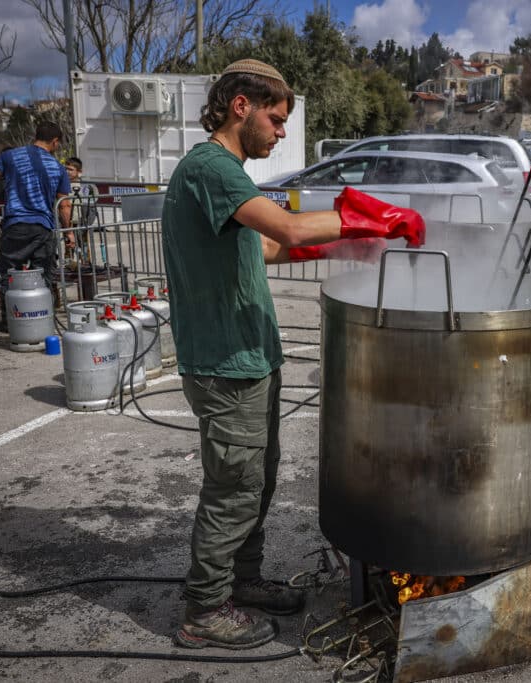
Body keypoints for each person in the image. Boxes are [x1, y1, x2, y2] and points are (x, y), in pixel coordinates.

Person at [161, 58, 425, 651]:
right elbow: (289, 228)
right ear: (241, 107)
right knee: (233, 486)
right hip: (225, 363)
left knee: (256, 480)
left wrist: (349, 247)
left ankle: (241, 581)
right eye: (276, 119)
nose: (281, 132)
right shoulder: (212, 166)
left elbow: (267, 249)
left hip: (250, 359)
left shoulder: (225, 175)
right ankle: (204, 609)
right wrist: (374, 218)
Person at [0, 123, 73, 332]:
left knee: (9, 274)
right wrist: (69, 233)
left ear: (36, 136)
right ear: (55, 142)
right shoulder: (58, 167)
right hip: (43, 227)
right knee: (44, 274)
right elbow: (65, 205)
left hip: (16, 226)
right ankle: (44, 319)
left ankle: (9, 321)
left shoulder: (10, 156)